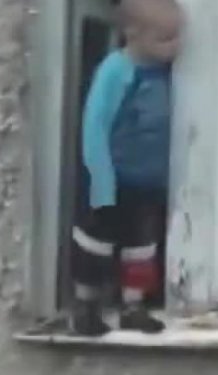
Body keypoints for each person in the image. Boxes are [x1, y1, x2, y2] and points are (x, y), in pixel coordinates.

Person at [70, 0, 182, 335]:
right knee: (96, 243)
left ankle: (134, 307)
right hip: (113, 178)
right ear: (133, 33)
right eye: (165, 39)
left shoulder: (168, 73)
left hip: (149, 181)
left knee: (142, 248)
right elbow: (95, 126)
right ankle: (86, 306)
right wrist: (100, 178)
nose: (175, 46)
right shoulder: (116, 71)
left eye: (178, 37)